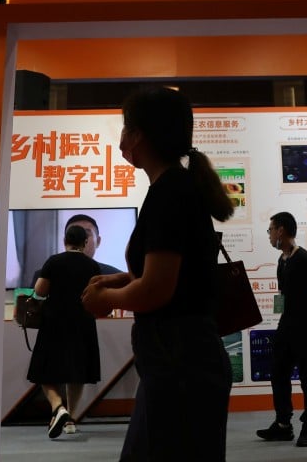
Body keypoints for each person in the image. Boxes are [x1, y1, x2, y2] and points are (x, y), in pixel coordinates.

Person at [81, 86, 234, 461]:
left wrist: (105, 299)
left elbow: (156, 291)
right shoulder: (176, 188)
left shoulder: (170, 193)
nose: (122, 137)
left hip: (178, 361)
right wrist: (123, 281)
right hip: (180, 358)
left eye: (125, 126)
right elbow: (171, 278)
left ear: (140, 134)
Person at [256, 211, 307, 448]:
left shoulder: (304, 259)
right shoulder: (282, 260)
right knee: (278, 372)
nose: (269, 236)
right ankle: (283, 424)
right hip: (286, 325)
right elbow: (284, 295)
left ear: (281, 230)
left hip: (306, 327)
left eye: (270, 230)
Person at [27, 224, 102, 438]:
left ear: (65, 240)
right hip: (83, 323)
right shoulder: (92, 266)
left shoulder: (54, 262)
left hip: (55, 322)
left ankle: (58, 406)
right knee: (77, 372)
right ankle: (71, 420)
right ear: (86, 243)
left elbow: (40, 291)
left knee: (43, 370)